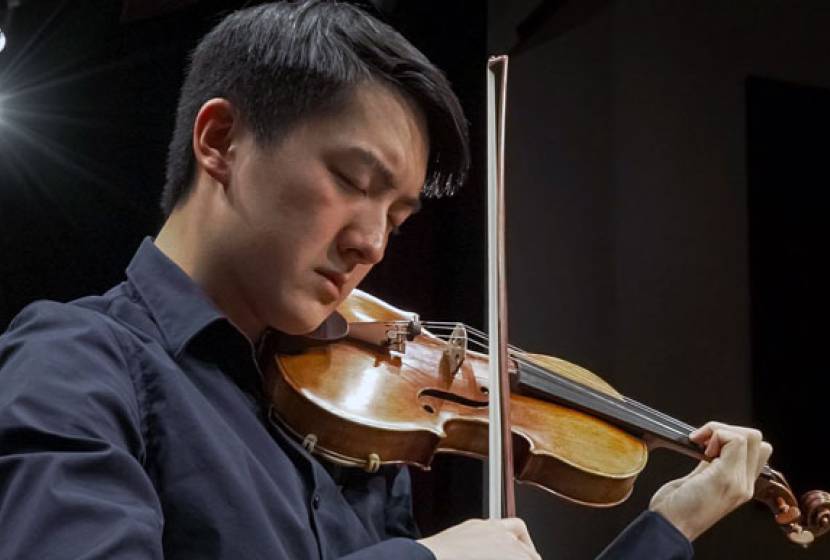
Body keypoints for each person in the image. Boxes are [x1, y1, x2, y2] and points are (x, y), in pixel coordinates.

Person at [0, 2, 772, 559]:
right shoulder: (76, 360)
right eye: (351, 179)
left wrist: (668, 528)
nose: (371, 243)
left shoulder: (347, 428)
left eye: (398, 218)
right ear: (222, 140)